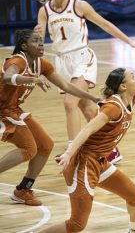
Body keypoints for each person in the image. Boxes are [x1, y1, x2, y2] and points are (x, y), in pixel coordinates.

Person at [37, 27, 135, 233]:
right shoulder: (113, 107)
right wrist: (68, 153)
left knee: (134, 197)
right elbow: (86, 130)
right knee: (76, 225)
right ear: (122, 86)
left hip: (101, 162)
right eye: (132, 76)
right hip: (83, 163)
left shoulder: (132, 96)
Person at [34, 0, 135, 165]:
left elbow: (105, 24)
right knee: (87, 108)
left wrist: (130, 42)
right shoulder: (44, 11)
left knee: (70, 103)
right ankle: (110, 149)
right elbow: (38, 41)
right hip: (62, 62)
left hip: (81, 58)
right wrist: (37, 66)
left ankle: (73, 151)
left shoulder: (79, 6)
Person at [0, 29, 100, 206]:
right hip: (2, 110)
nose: (41, 44)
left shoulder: (41, 64)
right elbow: (8, 78)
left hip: (13, 108)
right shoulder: (17, 61)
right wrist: (31, 80)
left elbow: (66, 85)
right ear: (24, 46)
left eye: (41, 40)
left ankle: (23, 190)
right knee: (29, 149)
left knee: (45, 145)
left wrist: (91, 97)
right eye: (35, 41)